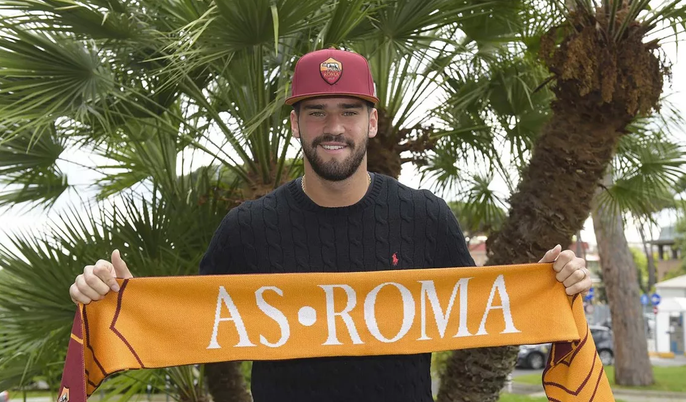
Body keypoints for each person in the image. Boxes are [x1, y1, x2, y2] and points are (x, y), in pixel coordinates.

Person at [69, 48, 592, 402]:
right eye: (316, 112)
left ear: (372, 122)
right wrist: (121, 299)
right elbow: (191, 322)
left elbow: (481, 314)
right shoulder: (247, 228)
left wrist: (549, 284)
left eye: (349, 111)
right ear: (295, 124)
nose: (334, 127)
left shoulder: (426, 217)